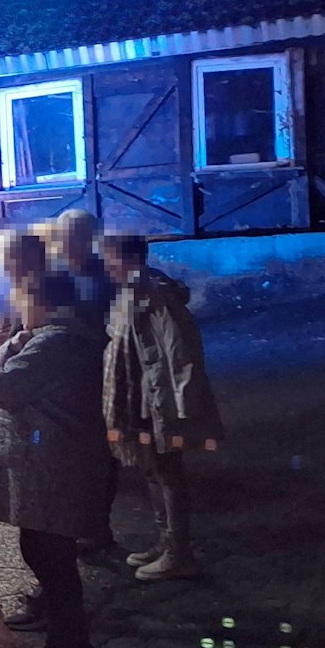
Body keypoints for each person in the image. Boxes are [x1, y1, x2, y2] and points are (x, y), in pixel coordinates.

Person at [0, 271, 111, 648]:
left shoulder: (51, 343)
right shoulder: (67, 339)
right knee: (46, 551)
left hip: (49, 465)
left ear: (43, 301)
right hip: (53, 461)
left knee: (49, 554)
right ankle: (69, 644)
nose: (19, 311)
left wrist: (4, 349)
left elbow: (2, 388)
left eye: (22, 301)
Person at [103, 234, 223, 581]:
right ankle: (164, 541)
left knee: (167, 470)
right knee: (152, 468)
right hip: (138, 396)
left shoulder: (153, 295)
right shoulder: (131, 291)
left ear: (126, 258)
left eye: (110, 258)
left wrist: (182, 403)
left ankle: (178, 551)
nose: (106, 265)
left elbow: (178, 351)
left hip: (155, 398)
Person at [50, 209, 115, 331]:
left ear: (93, 238)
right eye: (65, 238)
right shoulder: (48, 273)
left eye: (79, 238)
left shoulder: (111, 274)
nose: (71, 244)